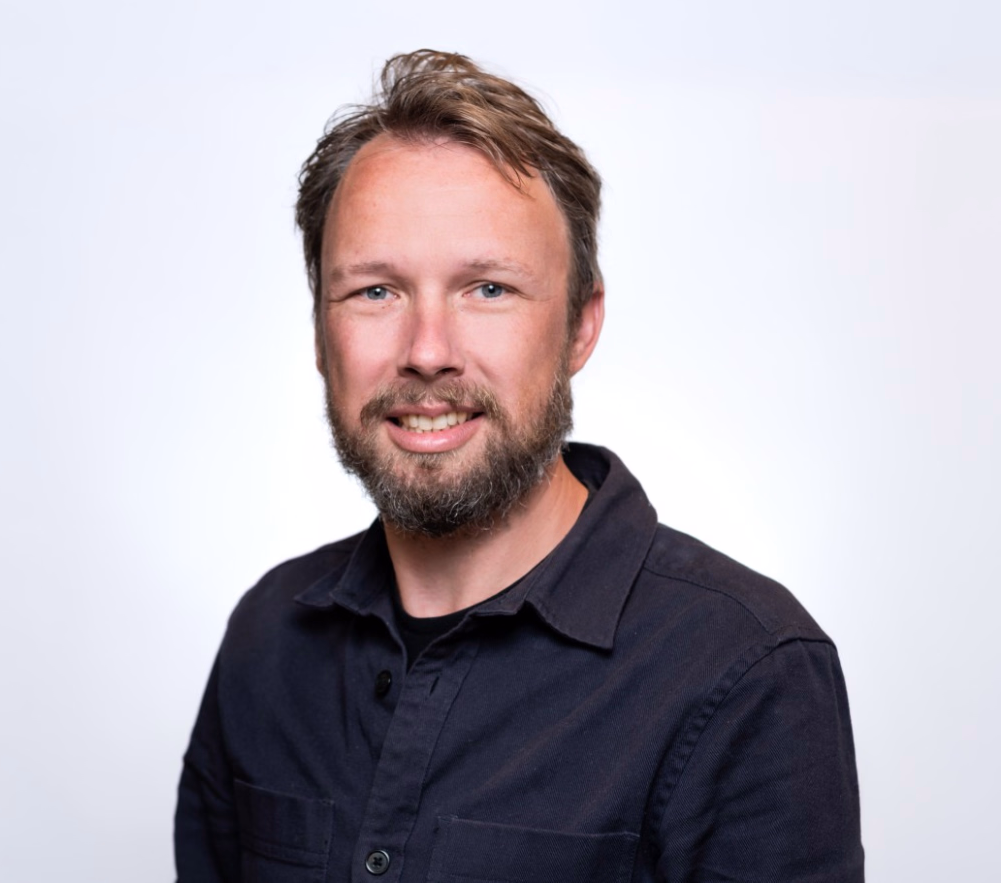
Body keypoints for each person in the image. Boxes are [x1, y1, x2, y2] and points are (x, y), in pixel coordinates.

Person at [174, 50, 863, 882]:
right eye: (375, 291)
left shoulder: (745, 671)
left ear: (580, 326)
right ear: (322, 333)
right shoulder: (269, 637)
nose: (428, 352)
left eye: (489, 289)